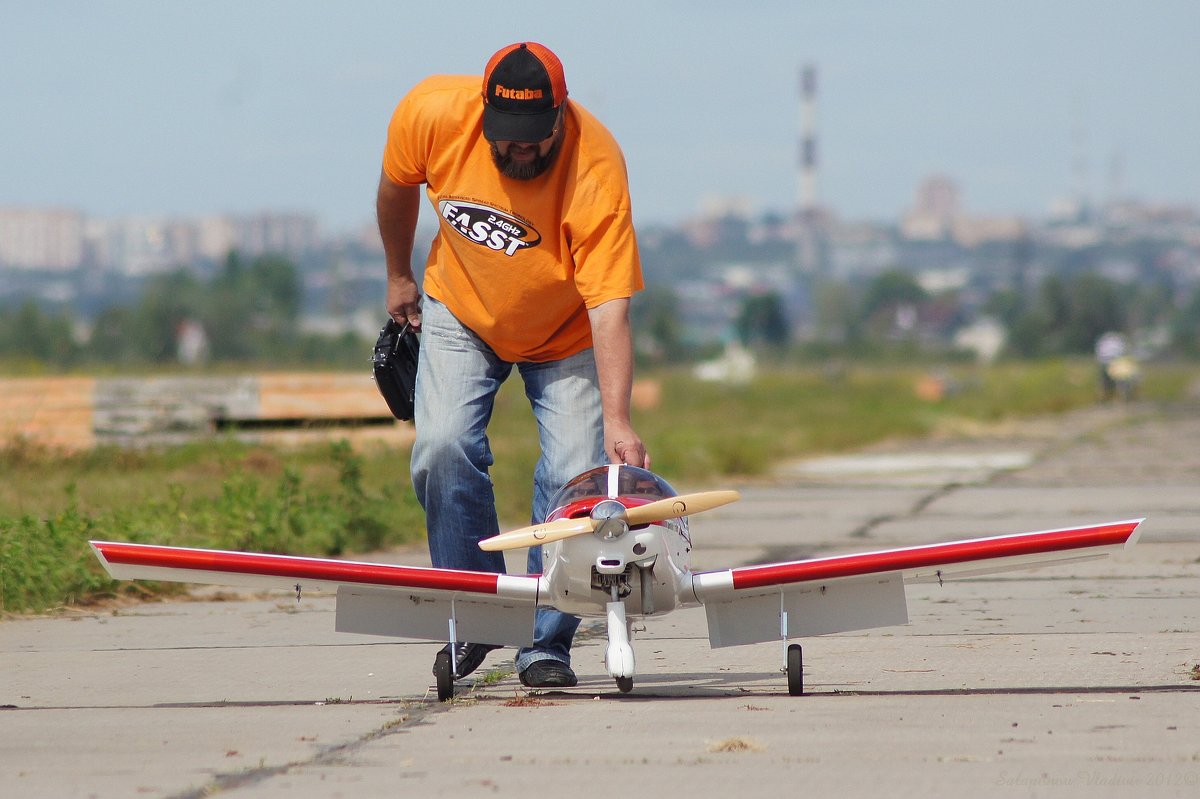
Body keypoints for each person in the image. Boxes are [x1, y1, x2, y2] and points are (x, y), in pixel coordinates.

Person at [376, 42, 649, 689]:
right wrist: (396, 275)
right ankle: (477, 614)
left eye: (536, 137)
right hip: (461, 308)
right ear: (483, 114)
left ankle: (545, 642)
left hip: (565, 330)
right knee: (441, 444)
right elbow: (394, 189)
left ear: (561, 116)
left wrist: (618, 419)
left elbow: (611, 309)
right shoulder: (433, 112)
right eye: (507, 138)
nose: (521, 149)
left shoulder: (597, 164)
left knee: (572, 475)